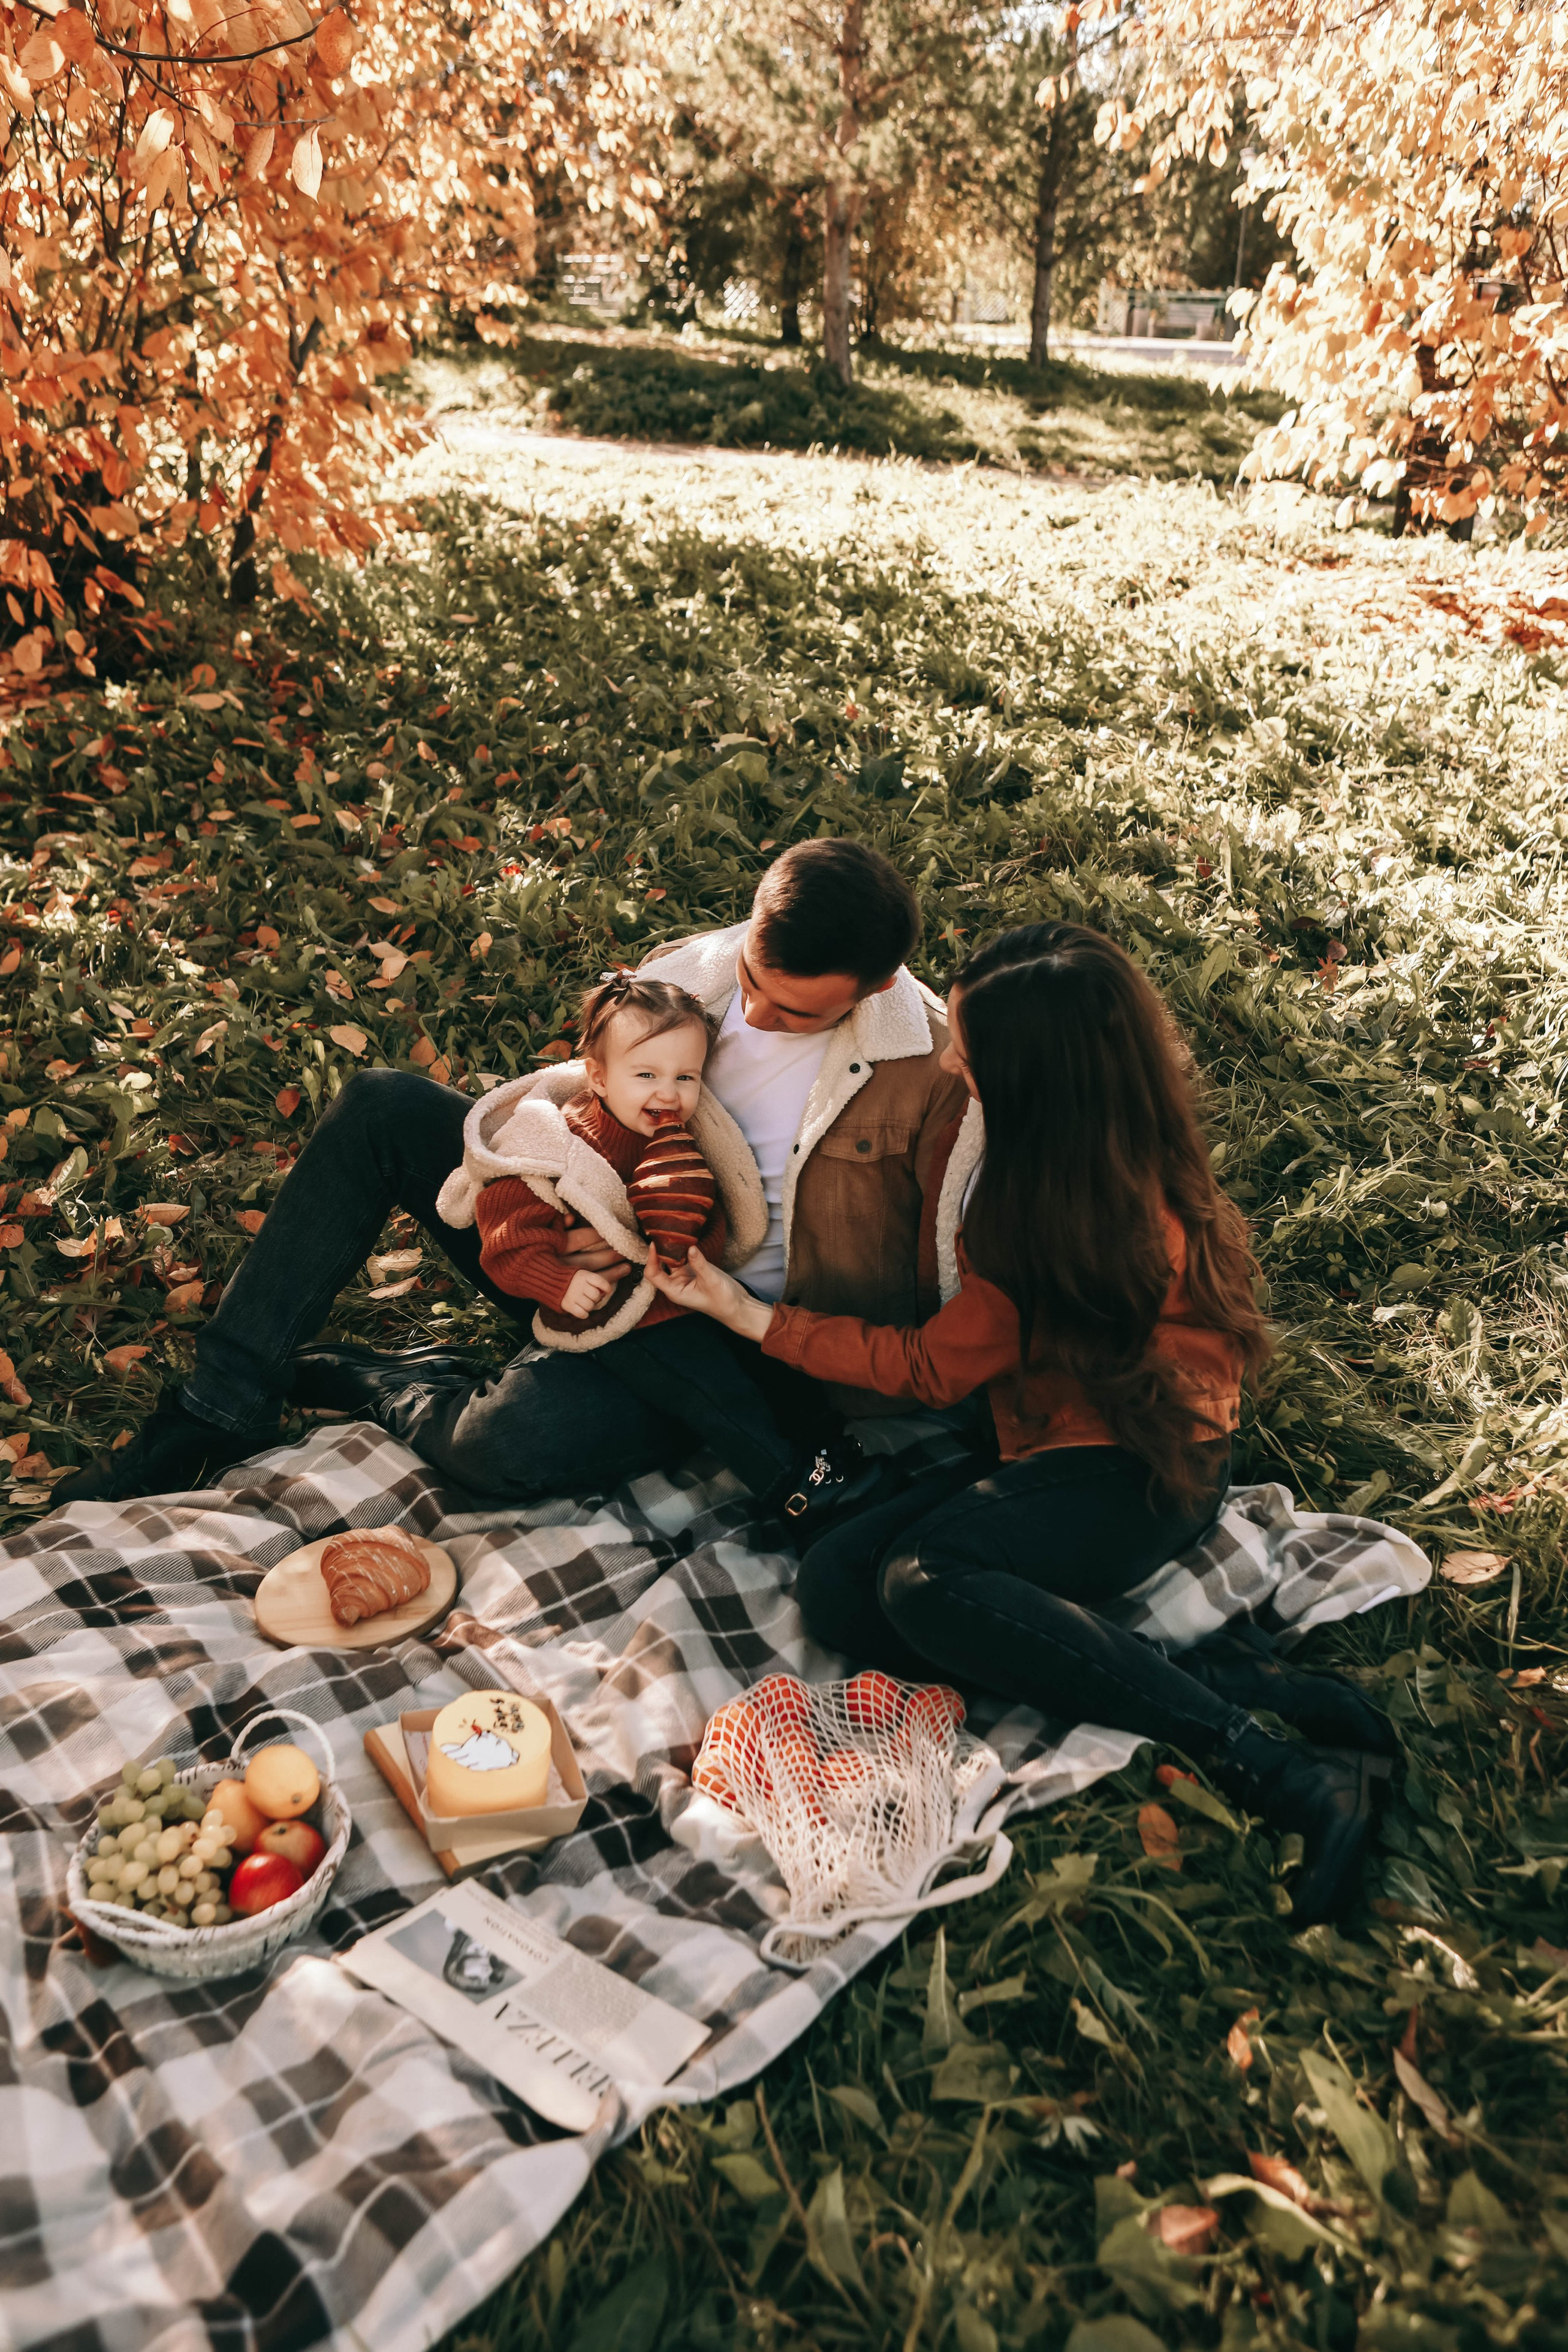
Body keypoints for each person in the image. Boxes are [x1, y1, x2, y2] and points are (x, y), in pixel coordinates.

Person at [647, 920, 1395, 1924]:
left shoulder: (1063, 1214)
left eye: (971, 1048)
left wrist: (748, 1316)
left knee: (925, 1580)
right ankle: (1205, 1672)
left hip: (1139, 1471)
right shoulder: (1104, 1141)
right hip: (1048, 1441)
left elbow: (926, 1367)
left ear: (1035, 1079)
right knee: (838, 1590)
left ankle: (1267, 1762)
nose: (953, 1060)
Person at [57, 838, 968, 1507]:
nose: (755, 1018)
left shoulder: (932, 1073)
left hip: (725, 1334)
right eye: (754, 982)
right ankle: (218, 1408)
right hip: (574, 1239)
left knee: (508, 1448)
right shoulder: (696, 970)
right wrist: (567, 1193)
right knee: (381, 1105)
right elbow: (587, 1089)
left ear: (876, 989)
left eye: (795, 1013)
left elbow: (939, 1283)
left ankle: (389, 1383)